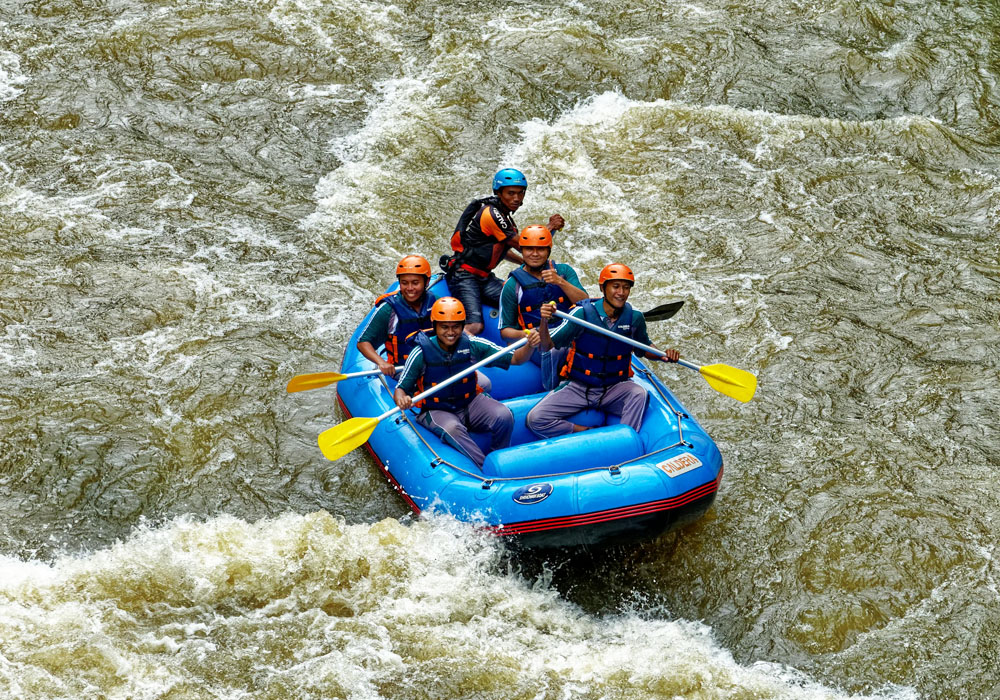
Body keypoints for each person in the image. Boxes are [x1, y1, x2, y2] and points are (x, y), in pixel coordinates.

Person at [526, 263, 680, 438]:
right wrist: (544, 321)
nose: (621, 293)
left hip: (614, 388)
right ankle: (585, 432)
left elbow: (644, 348)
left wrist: (663, 356)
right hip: (579, 386)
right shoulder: (581, 314)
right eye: (615, 286)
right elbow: (547, 346)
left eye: (626, 288)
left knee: (639, 393)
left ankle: (623, 440)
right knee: (535, 418)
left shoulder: (634, 318)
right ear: (603, 288)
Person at [394, 297, 538, 467]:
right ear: (435, 326)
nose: (450, 332)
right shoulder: (420, 353)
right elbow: (400, 389)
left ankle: (498, 459)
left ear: (462, 325)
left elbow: (516, 358)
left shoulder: (472, 344)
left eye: (455, 326)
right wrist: (402, 399)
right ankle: (484, 467)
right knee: (452, 429)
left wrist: (530, 345)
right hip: (436, 409)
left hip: (469, 401)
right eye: (444, 327)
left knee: (504, 415)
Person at [439, 168, 565, 336]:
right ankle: (449, 354)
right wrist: (550, 228)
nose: (517, 198)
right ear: (498, 192)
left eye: (521, 193)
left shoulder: (504, 216)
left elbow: (502, 249)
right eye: (511, 193)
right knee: (475, 326)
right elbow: (524, 245)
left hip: (484, 278)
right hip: (464, 277)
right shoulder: (492, 214)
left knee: (519, 301)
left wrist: (522, 262)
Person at [498, 224, 588, 389]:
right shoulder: (512, 286)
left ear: (548, 251)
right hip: (538, 344)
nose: (534, 254)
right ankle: (553, 390)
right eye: (529, 249)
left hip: (568, 335)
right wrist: (526, 335)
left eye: (540, 249)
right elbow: (505, 332)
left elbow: (585, 303)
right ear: (522, 251)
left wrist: (560, 282)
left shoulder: (563, 272)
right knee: (553, 349)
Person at [356, 255, 438, 376]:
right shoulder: (389, 310)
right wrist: (381, 362)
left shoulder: (436, 302)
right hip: (403, 369)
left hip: (435, 363)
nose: (410, 288)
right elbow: (363, 343)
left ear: (426, 282)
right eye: (404, 283)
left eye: (415, 283)